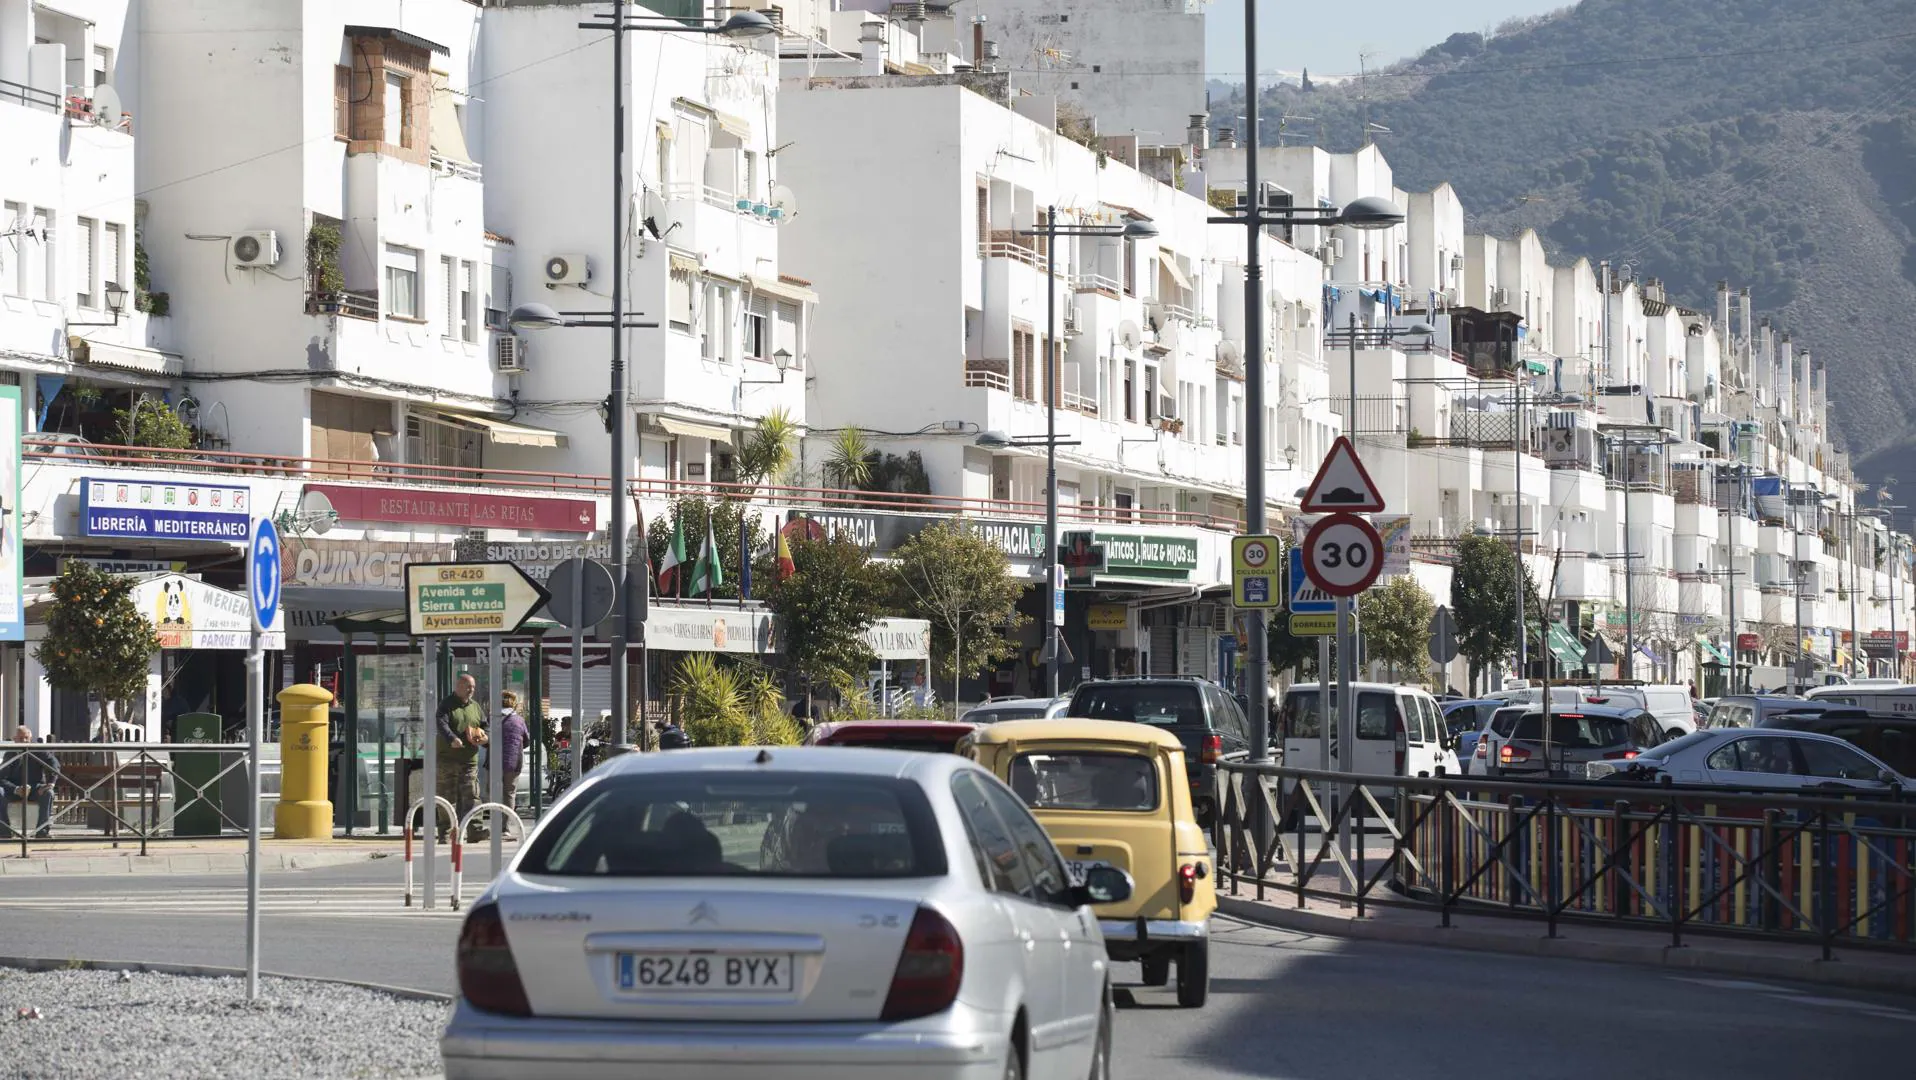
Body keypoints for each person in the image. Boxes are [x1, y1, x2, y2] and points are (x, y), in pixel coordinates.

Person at [434, 674, 488, 843]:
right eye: (468, 686)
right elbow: (440, 723)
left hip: (469, 759)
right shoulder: (447, 704)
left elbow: (485, 726)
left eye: (473, 687)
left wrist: (486, 738)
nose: (471, 690)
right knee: (446, 796)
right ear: (458, 686)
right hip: (447, 759)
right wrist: (452, 738)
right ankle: (446, 832)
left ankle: (475, 830)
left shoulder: (475, 706)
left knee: (472, 795)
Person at [0, 727, 54, 839]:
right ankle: (4, 831)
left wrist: (51, 783)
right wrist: (15, 789)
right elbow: (2, 778)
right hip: (14, 790)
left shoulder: (38, 750)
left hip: (35, 788)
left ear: (31, 739)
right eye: (21, 738)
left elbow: (53, 763)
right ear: (15, 739)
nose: (24, 741)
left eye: (26, 738)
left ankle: (42, 831)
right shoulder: (10, 753)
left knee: (48, 793)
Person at [495, 690, 529, 839]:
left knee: (495, 792)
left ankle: (495, 825)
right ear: (514, 704)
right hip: (514, 762)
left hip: (495, 761)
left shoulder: (493, 719)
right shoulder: (519, 721)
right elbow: (526, 740)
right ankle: (505, 827)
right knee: (509, 794)